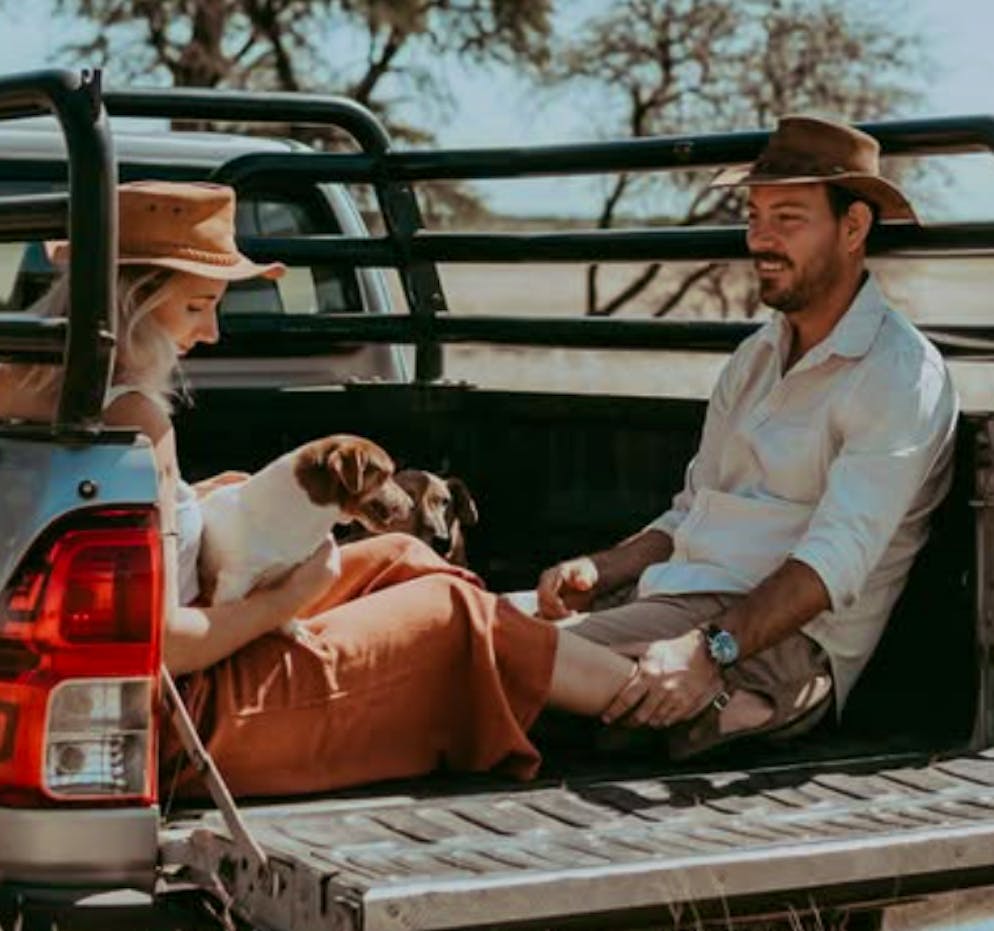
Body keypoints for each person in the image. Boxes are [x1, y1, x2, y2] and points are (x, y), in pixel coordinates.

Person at [0, 179, 657, 799]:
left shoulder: (22, 381)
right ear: (133, 298)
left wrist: (196, 498)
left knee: (401, 556)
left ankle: (585, 678)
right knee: (452, 611)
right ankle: (660, 699)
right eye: (197, 306)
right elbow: (169, 645)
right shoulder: (138, 415)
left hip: (169, 672)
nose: (212, 331)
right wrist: (290, 596)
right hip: (186, 716)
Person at [534, 115, 958, 758]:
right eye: (754, 216)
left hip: (767, 641)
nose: (760, 238)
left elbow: (833, 564)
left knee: (483, 649)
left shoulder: (899, 374)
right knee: (461, 616)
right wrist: (602, 568)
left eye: (787, 218)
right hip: (673, 594)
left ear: (853, 228)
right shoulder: (755, 358)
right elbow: (693, 508)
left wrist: (710, 649)